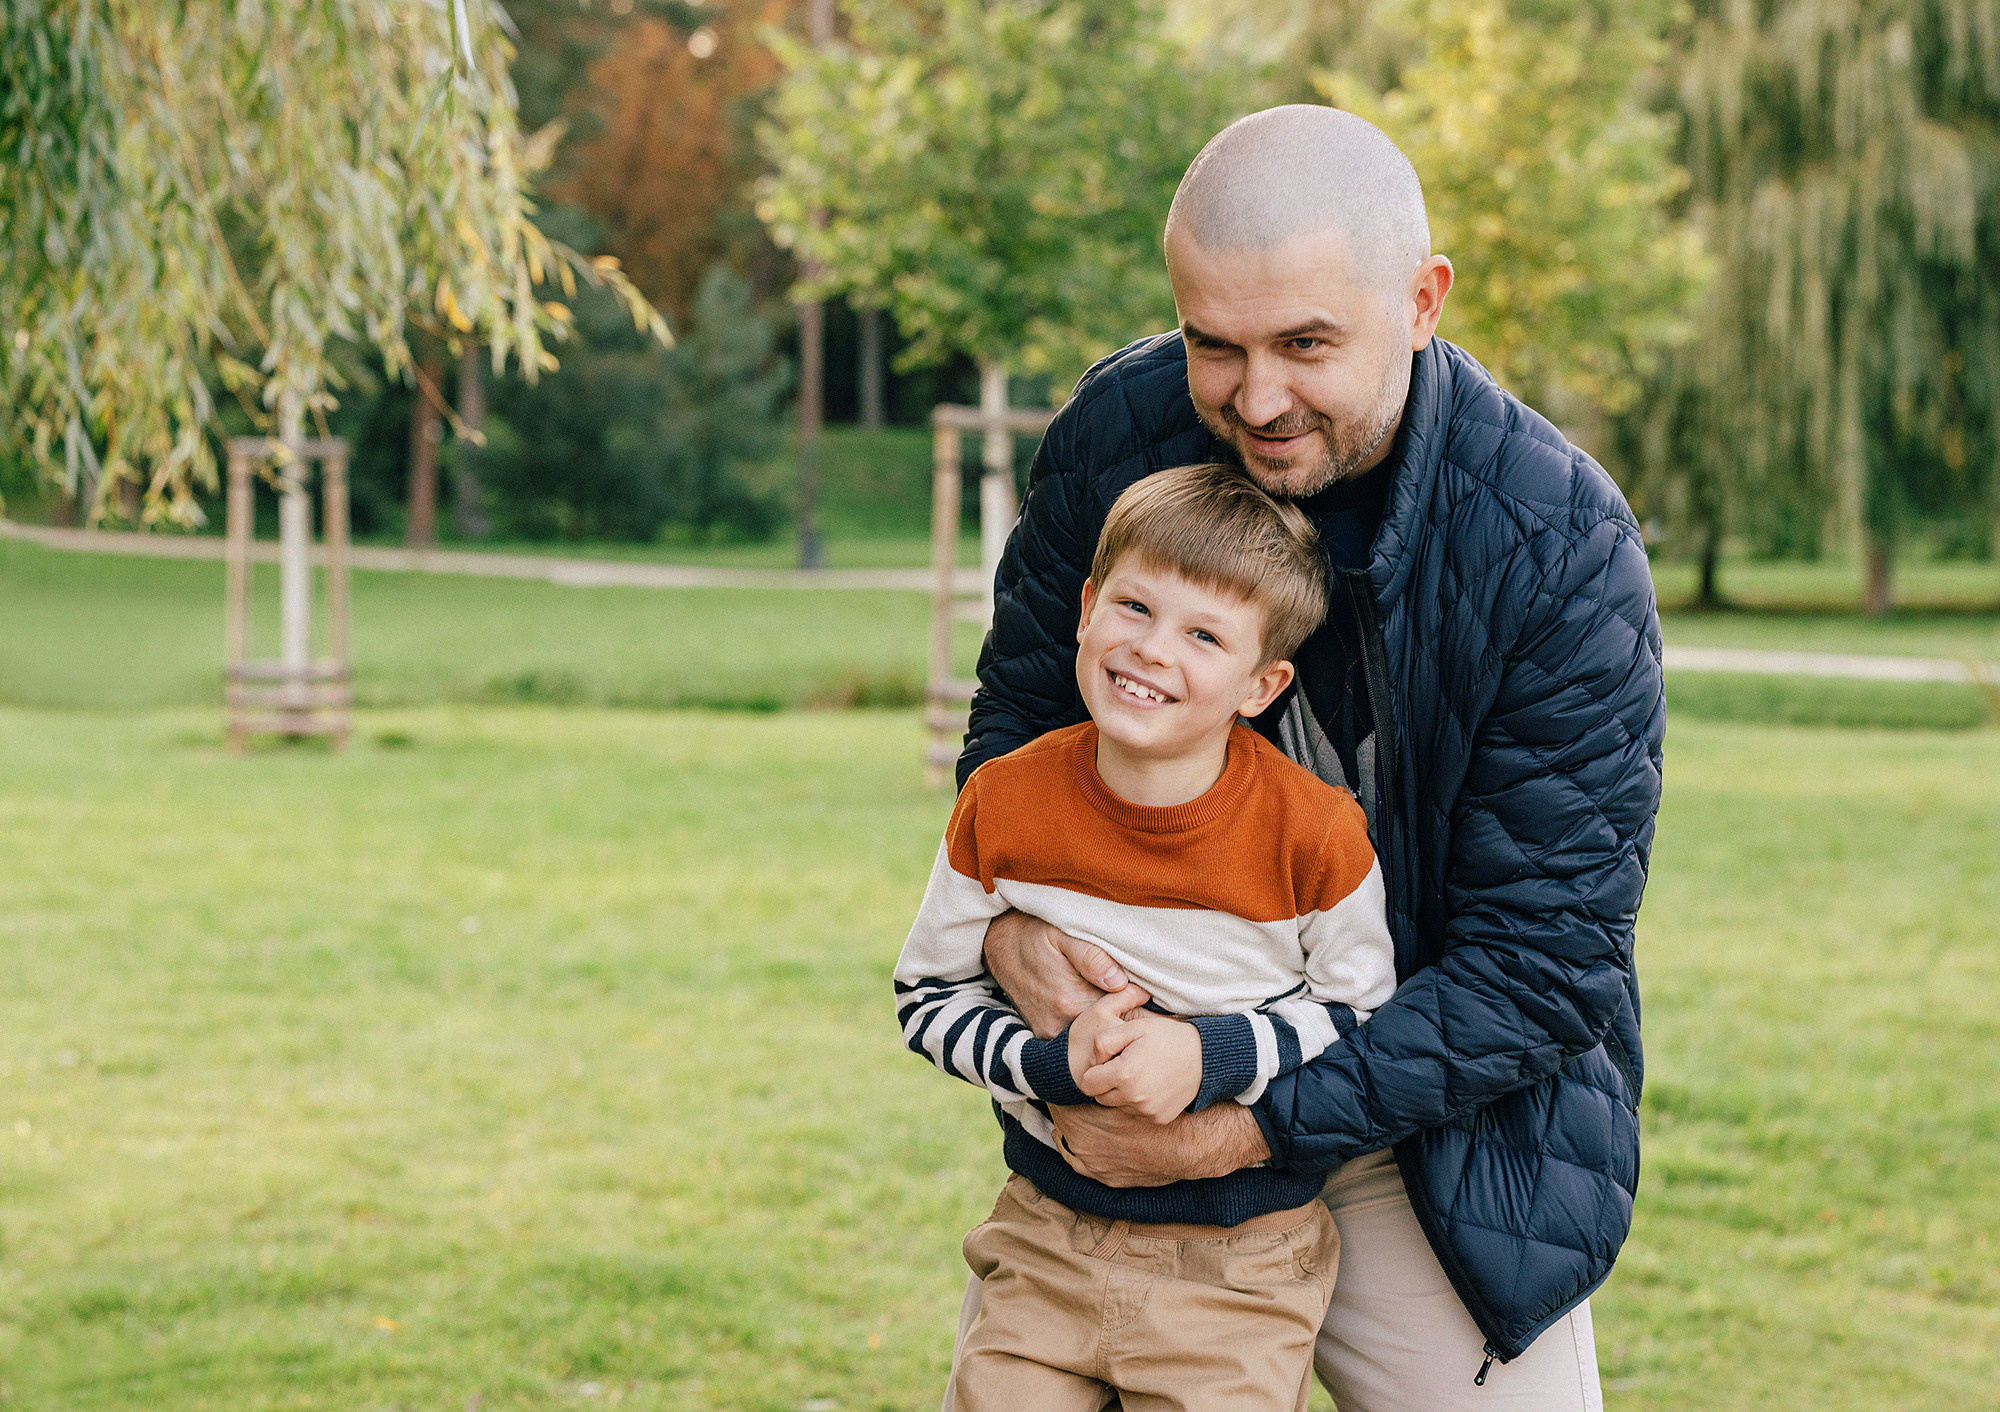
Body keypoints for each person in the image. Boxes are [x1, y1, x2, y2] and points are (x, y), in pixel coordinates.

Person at [950, 105, 1664, 1410]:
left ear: (1424, 300)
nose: (1256, 396)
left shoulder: (1562, 548)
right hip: (1128, 1099)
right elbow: (1016, 733)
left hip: (1429, 1134)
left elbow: (1546, 966)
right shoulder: (1120, 432)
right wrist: (1017, 948)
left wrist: (1241, 1118)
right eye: (1213, 343)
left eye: (1307, 344)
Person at [897, 462, 1398, 1410]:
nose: (1152, 650)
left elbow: (1362, 1008)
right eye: (1134, 607)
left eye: (1204, 634)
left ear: (1262, 684)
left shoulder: (1316, 833)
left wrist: (1205, 1055)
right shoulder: (1003, 803)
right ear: (1086, 608)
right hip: (1047, 1236)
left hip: (1239, 1269)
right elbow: (925, 998)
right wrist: (1052, 1064)